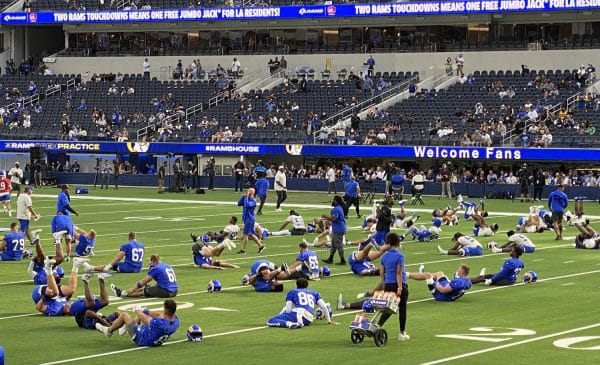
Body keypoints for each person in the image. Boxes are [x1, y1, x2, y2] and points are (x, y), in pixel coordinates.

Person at [95, 299, 180, 348]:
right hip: (153, 336)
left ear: (167, 310)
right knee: (145, 315)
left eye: (164, 308)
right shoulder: (176, 321)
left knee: (125, 315)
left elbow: (145, 319)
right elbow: (160, 315)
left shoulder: (161, 325)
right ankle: (125, 327)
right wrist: (144, 310)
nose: (163, 309)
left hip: (142, 339)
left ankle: (108, 331)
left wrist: (137, 310)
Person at [267, 278, 336, 329]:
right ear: (307, 285)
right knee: (285, 312)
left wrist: (287, 317)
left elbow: (288, 309)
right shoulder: (315, 293)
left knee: (271, 320)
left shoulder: (293, 292)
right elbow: (324, 306)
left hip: (299, 314)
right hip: (309, 319)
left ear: (296, 285)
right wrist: (329, 321)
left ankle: (290, 324)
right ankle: (296, 323)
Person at [377, 232, 409, 340]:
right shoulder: (400, 256)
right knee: (402, 308)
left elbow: (381, 272)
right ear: (398, 243)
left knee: (389, 307)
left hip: (388, 284)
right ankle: (402, 332)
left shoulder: (384, 256)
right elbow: (399, 272)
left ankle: (379, 325)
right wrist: (400, 287)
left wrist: (384, 283)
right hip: (398, 284)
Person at [110, 254, 178, 298]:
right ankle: (124, 292)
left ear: (153, 261)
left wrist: (133, 289)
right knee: (148, 288)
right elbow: (164, 281)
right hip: (175, 290)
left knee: (143, 292)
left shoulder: (157, 268)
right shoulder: (167, 265)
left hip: (167, 291)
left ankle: (122, 294)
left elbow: (144, 281)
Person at [406, 264, 472, 302]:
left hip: (440, 295)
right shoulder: (468, 281)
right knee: (440, 273)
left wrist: (433, 282)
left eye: (459, 270)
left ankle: (405, 274)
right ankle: (421, 275)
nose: (457, 271)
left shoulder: (458, 282)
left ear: (462, 272)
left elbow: (443, 290)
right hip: (448, 290)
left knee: (427, 276)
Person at [237, 187, 265, 254]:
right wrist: (243, 197)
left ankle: (243, 250)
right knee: (251, 234)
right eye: (248, 190)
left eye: (249, 191)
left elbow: (246, 205)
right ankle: (261, 246)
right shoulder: (246, 198)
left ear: (253, 193)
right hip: (246, 219)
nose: (248, 192)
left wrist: (246, 197)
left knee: (245, 235)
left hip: (250, 219)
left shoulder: (253, 201)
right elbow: (239, 204)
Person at [321, 195, 347, 265]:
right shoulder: (339, 208)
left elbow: (334, 218)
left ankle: (342, 260)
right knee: (333, 245)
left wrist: (325, 216)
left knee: (338, 245)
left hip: (338, 229)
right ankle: (330, 258)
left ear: (336, 201)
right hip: (338, 228)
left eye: (334, 200)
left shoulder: (336, 209)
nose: (333, 201)